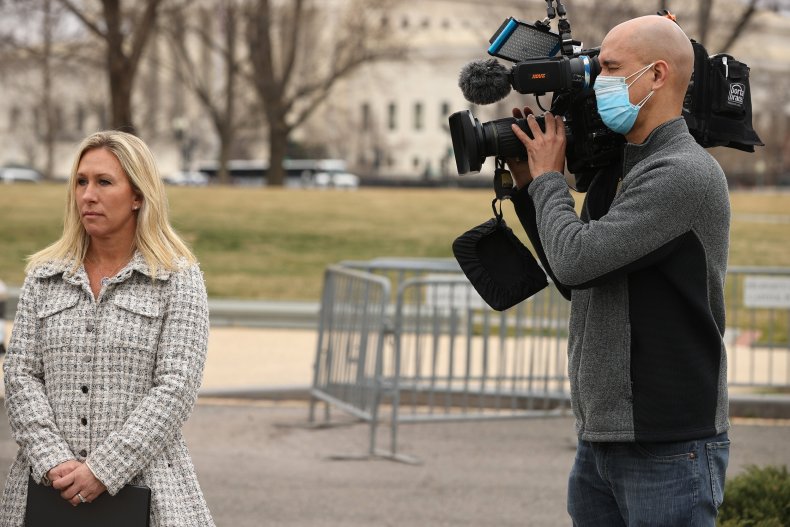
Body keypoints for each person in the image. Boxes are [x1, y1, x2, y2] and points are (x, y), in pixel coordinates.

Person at [507, 15, 731, 526]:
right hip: (604, 437)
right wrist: (529, 188)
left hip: (667, 445)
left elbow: (576, 258)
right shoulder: (622, 168)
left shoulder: (683, 172)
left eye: (608, 67)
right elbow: (574, 276)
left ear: (655, 75)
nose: (595, 80)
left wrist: (548, 182)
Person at [0, 131, 215, 526]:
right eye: (81, 182)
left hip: (152, 492)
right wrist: (53, 461)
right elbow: (20, 376)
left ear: (137, 195)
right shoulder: (44, 277)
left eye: (104, 182)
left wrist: (104, 469)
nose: (87, 195)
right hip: (45, 492)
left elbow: (176, 386)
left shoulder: (177, 279)